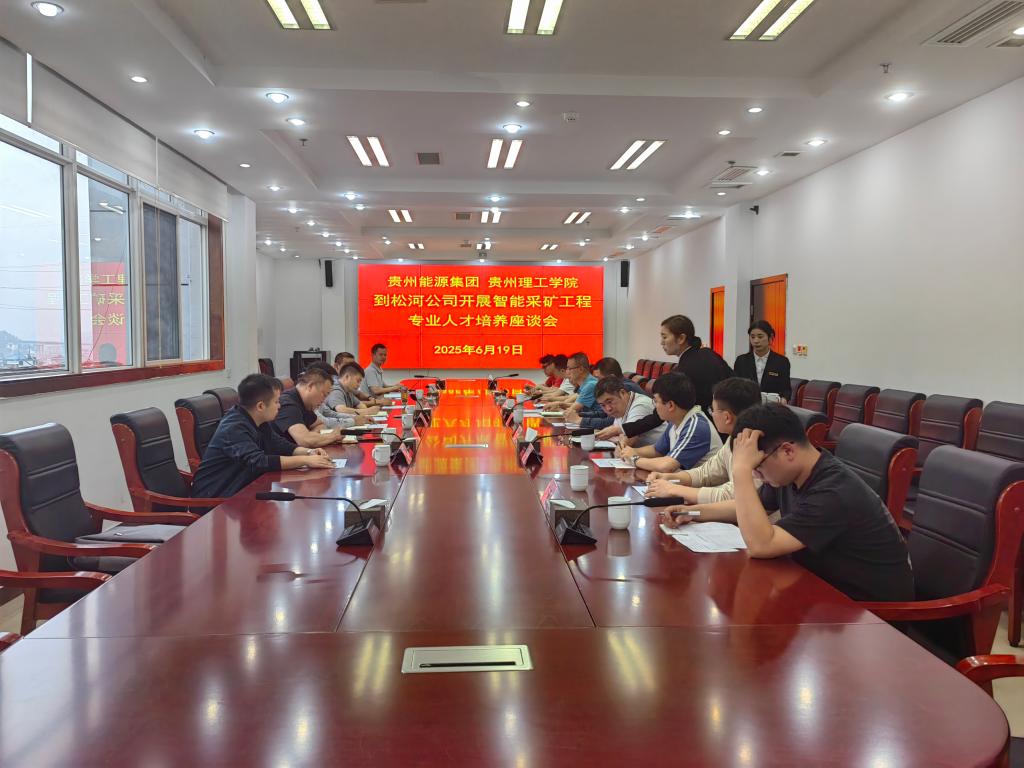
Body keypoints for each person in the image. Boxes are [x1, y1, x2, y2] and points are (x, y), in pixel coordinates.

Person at [729, 404, 913, 602]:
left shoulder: (833, 492)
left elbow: (761, 545)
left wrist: (740, 471)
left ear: (787, 451)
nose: (756, 475)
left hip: (867, 611)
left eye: (757, 467)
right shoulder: (792, 473)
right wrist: (701, 511)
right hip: (821, 591)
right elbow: (750, 507)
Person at [193, 374, 334, 498]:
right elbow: (259, 462)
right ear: (260, 406)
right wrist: (306, 460)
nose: (279, 406)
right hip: (217, 500)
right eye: (276, 402)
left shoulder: (258, 420)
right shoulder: (234, 427)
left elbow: (279, 444)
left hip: (243, 492)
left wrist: (309, 452)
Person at [646, 377, 763, 505]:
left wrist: (673, 489)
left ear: (727, 417)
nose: (711, 414)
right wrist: (670, 478)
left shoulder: (758, 446)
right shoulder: (734, 438)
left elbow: (732, 496)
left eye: (712, 409)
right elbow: (705, 473)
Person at [621, 315, 733, 441]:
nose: (661, 342)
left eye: (664, 337)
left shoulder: (683, 370)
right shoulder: (709, 353)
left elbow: (661, 413)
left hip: (702, 432)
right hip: (729, 426)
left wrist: (626, 429)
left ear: (681, 338)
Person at [616, 372, 721, 473]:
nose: (655, 406)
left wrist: (634, 458)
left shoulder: (696, 426)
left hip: (705, 484)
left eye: (656, 401)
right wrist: (629, 451)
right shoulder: (676, 419)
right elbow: (657, 450)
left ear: (670, 405)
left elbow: (667, 466)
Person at [274, 363, 345, 447]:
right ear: (310, 386)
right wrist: (333, 436)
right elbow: (304, 441)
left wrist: (312, 436)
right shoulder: (288, 404)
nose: (323, 401)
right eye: (324, 394)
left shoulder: (304, 402)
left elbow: (320, 424)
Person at [569, 357, 647, 430]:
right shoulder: (619, 385)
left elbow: (609, 422)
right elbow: (604, 414)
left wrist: (580, 420)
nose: (596, 383)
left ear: (611, 377)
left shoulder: (624, 388)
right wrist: (580, 415)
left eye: (598, 379)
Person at [592, 376, 665, 447]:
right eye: (603, 405)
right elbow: (619, 434)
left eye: (609, 402)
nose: (608, 409)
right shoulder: (622, 405)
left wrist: (615, 433)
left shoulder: (640, 405)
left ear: (622, 393)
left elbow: (626, 442)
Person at [733, 320, 791, 402]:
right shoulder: (741, 360)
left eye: (760, 337)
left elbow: (786, 390)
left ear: (770, 338)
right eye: (752, 337)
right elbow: (735, 386)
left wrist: (784, 399)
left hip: (771, 406)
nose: (756, 341)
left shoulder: (782, 362)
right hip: (747, 405)